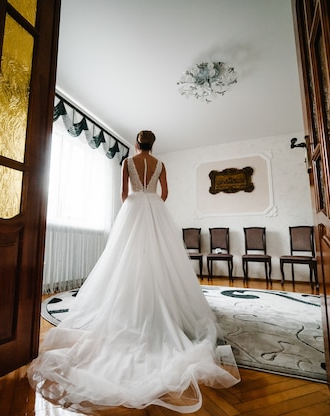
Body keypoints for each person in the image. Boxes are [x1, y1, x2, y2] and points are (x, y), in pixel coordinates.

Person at [27, 130, 240, 413]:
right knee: (160, 256)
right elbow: (166, 193)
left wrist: (135, 205)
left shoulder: (127, 162)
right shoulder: (161, 164)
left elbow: (123, 194)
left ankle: (128, 302)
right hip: (154, 209)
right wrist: (153, 204)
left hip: (133, 209)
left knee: (123, 256)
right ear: (153, 145)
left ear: (137, 143)